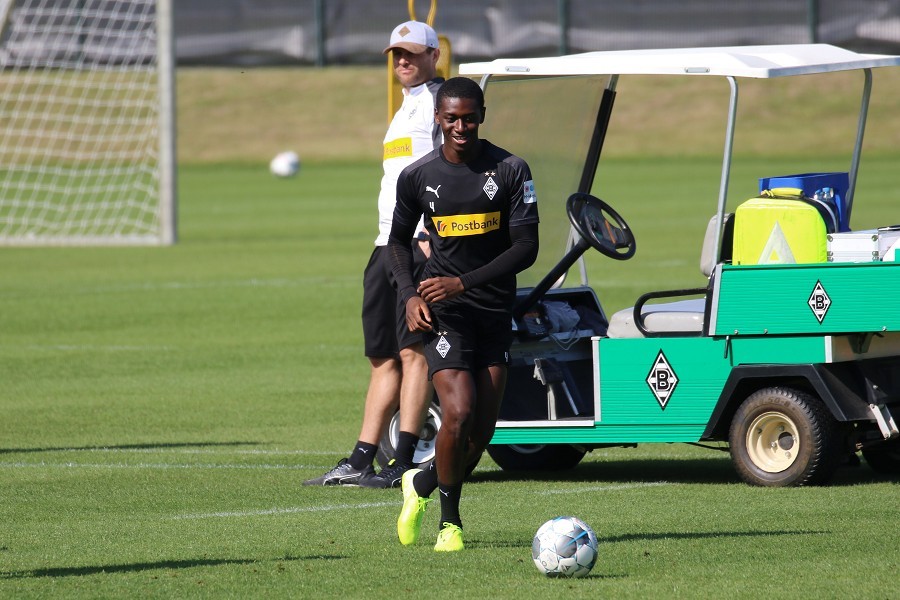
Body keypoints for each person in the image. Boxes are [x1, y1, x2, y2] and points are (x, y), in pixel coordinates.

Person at [387, 76, 539, 551]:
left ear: (482, 115)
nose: (460, 126)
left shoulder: (511, 169)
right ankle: (450, 525)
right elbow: (395, 243)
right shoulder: (417, 176)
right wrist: (412, 294)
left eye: (468, 118)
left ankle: (422, 483)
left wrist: (465, 281)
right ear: (438, 118)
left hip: (492, 312)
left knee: (480, 434)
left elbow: (526, 247)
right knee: (458, 411)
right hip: (444, 314)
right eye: (451, 117)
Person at [303, 20, 444, 488]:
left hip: (419, 247)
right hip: (385, 246)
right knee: (382, 356)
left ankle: (402, 460)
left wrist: (433, 235)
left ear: (433, 55)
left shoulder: (440, 105)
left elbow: (452, 173)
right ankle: (361, 458)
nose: (402, 61)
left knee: (413, 354)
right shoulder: (404, 109)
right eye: (396, 55)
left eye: (411, 53)